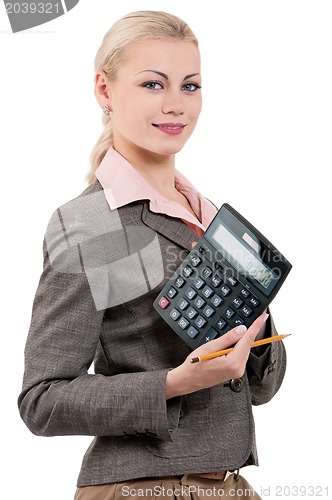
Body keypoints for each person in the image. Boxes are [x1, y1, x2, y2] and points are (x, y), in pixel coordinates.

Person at [18, 10, 287, 500]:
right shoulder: (91, 223)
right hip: (141, 488)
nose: (175, 105)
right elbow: (43, 401)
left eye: (190, 86)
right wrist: (173, 383)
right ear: (104, 91)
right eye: (151, 84)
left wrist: (260, 329)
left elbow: (260, 390)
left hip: (231, 487)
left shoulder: (207, 216)